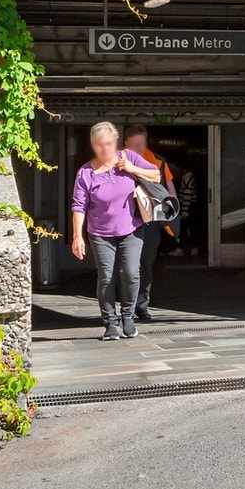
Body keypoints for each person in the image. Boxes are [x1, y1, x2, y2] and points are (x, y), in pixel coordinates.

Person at [70, 122, 162, 341]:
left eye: (109, 144)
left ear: (116, 142)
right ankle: (110, 323)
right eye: (100, 145)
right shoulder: (85, 173)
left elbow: (156, 175)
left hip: (131, 229)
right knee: (107, 277)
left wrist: (131, 168)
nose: (105, 149)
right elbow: (78, 206)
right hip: (100, 234)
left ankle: (128, 316)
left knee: (130, 272)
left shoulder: (128, 157)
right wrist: (77, 236)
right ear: (93, 145)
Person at [123, 124, 173, 322]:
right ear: (126, 144)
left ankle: (142, 304)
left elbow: (168, 187)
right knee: (126, 264)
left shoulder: (158, 161)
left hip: (151, 220)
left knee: (145, 262)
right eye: (134, 145)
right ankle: (127, 305)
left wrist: (171, 213)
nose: (138, 149)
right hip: (126, 218)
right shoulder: (117, 160)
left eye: (142, 144)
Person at [173, 162, 200, 259]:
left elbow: (187, 196)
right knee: (192, 228)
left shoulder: (186, 179)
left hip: (188, 207)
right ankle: (194, 247)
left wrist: (184, 211)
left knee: (183, 229)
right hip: (191, 206)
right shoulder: (190, 177)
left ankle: (181, 248)